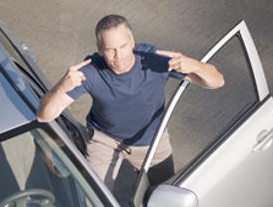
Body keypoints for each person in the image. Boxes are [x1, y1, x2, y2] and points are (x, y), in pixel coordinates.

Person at [36, 14, 224, 196]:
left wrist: (196, 65)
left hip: (151, 140)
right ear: (99, 49)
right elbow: (44, 116)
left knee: (166, 194)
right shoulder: (89, 71)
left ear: (132, 42)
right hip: (105, 140)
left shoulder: (154, 60)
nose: (118, 56)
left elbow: (217, 82)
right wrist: (61, 87)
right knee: (96, 199)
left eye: (123, 46)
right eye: (110, 49)